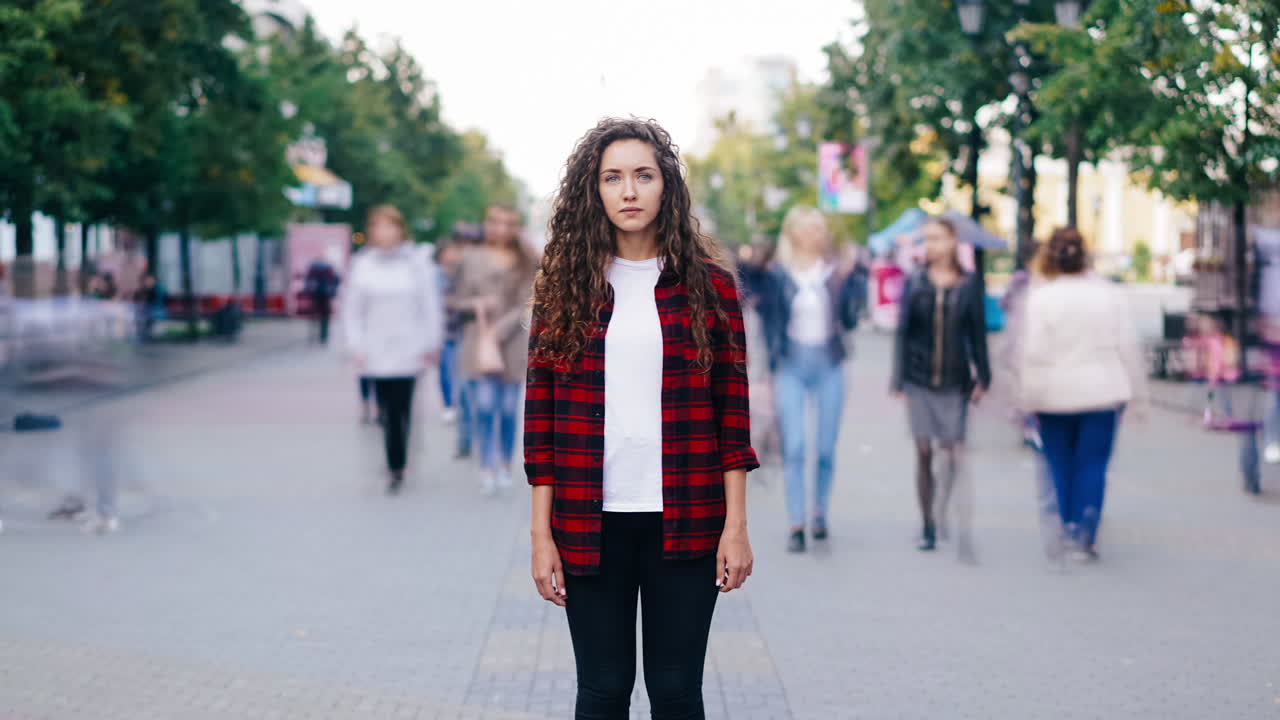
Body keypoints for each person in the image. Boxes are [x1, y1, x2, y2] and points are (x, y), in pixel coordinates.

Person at [525, 117, 758, 719]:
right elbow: (541, 424)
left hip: (687, 517)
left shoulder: (711, 288)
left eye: (643, 176)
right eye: (613, 177)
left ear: (666, 187)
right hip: (587, 520)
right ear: (594, 191)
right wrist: (540, 536)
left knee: (677, 691)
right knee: (601, 691)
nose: (629, 191)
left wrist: (736, 526)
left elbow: (732, 419)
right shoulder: (564, 289)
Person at [1018, 227, 1147, 562]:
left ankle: (1068, 523)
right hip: (1103, 391)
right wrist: (1138, 396)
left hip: (1054, 394)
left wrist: (1027, 398)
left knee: (1060, 463)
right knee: (1093, 465)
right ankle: (1086, 533)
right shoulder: (1109, 295)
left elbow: (1033, 353)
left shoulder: (1042, 297)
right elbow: (1128, 348)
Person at [754, 206, 865, 553]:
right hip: (791, 365)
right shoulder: (779, 274)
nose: (815, 234)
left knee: (826, 448)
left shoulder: (834, 271)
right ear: (794, 233)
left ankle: (819, 512)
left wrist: (851, 278)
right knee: (796, 445)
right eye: (807, 228)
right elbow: (769, 324)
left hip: (829, 363)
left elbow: (850, 319)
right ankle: (796, 521)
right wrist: (768, 370)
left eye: (818, 228)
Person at [891, 215, 991, 555]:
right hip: (919, 378)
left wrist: (984, 377)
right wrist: (898, 378)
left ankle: (941, 508)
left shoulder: (970, 285)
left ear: (952, 242)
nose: (930, 246)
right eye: (926, 239)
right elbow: (903, 332)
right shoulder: (915, 281)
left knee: (951, 451)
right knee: (923, 449)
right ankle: (928, 525)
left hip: (955, 380)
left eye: (936, 238)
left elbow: (977, 335)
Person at [341, 205, 444, 494]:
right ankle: (394, 463)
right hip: (375, 349)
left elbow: (429, 305)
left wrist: (430, 342)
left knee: (403, 407)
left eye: (390, 226)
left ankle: (398, 462)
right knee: (385, 409)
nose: (384, 233)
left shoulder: (415, 263)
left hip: (409, 347)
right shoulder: (363, 265)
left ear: (400, 230)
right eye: (378, 227)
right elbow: (352, 309)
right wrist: (356, 344)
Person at [450, 205, 536, 495]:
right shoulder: (471, 258)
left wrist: (501, 330)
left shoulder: (526, 259)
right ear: (487, 225)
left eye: (508, 223)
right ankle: (486, 464)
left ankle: (503, 463)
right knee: (485, 407)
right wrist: (477, 305)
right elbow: (455, 301)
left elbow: (528, 301)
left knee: (510, 410)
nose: (501, 229)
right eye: (495, 222)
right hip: (479, 342)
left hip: (511, 343)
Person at [303, 256, 340, 345]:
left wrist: (308, 291)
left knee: (314, 316)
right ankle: (323, 336)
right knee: (325, 316)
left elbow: (308, 281)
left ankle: (313, 336)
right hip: (326, 295)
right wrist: (332, 292)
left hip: (315, 295)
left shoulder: (313, 269)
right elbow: (336, 279)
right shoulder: (329, 269)